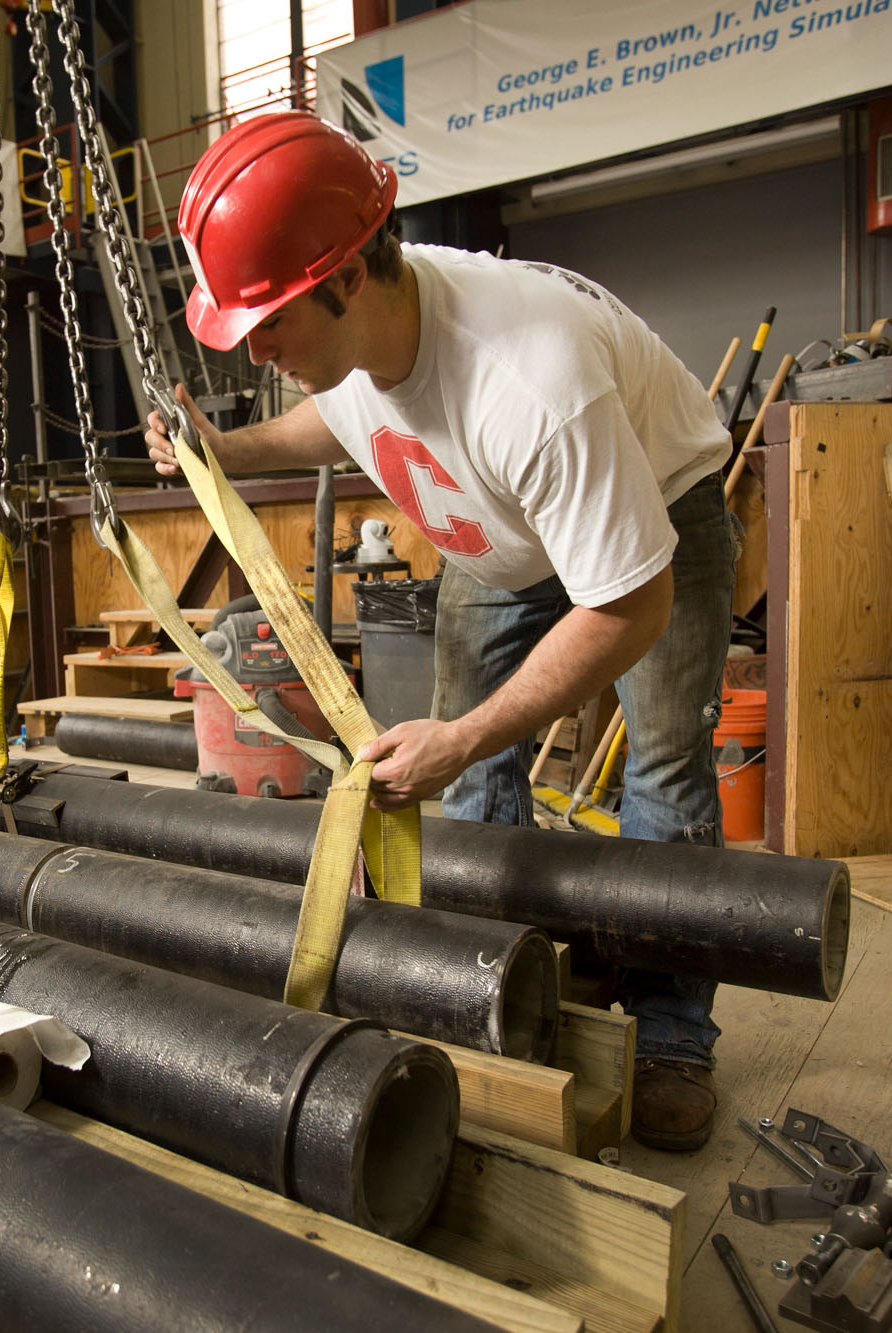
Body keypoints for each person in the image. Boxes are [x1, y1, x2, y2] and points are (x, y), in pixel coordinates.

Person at [143, 112, 739, 1152]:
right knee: (465, 784)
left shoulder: (529, 385)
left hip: (653, 524)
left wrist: (464, 730)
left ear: (343, 281)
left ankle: (672, 1033)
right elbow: (332, 413)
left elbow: (628, 605)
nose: (262, 352)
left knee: (664, 779)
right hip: (502, 542)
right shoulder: (356, 336)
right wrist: (223, 446)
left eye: (268, 324)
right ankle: (496, 987)